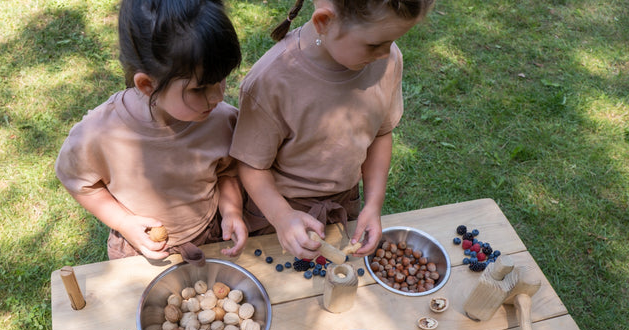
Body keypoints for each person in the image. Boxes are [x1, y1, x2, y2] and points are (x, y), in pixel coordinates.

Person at [230, 0, 434, 260]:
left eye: (392, 41)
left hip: (344, 203)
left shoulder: (387, 61)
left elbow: (381, 134)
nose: (385, 53)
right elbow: (251, 165)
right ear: (324, 22)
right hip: (281, 214)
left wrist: (373, 204)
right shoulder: (271, 82)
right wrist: (282, 216)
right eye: (374, 44)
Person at [55, 0, 246, 264]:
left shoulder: (221, 120)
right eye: (199, 89)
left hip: (210, 237)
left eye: (221, 80)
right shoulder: (99, 133)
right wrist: (124, 222)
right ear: (147, 84)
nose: (217, 96)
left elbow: (227, 171)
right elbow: (80, 183)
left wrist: (232, 210)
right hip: (139, 251)